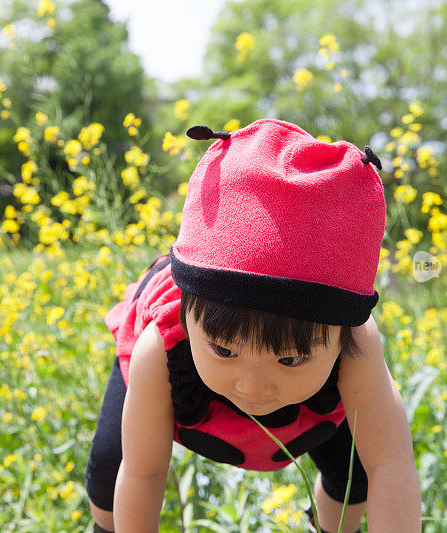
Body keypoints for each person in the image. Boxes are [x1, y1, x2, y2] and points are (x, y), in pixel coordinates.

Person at [84, 118, 422, 532]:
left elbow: (391, 465)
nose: (252, 385)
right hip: (182, 386)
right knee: (110, 470)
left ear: (340, 336)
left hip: (313, 413)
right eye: (225, 350)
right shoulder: (163, 341)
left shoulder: (355, 341)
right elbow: (144, 474)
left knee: (356, 478)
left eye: (291, 359)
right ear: (188, 317)